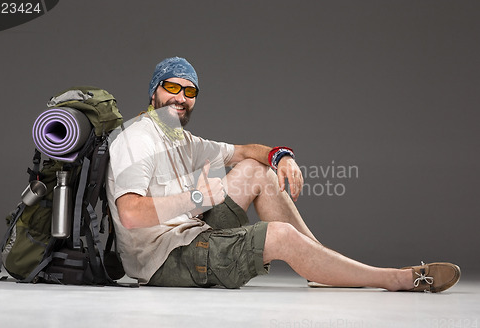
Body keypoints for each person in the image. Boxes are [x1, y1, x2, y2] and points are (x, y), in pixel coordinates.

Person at [105, 56, 460, 292]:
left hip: (188, 232)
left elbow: (246, 152)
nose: (180, 97)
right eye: (172, 87)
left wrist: (281, 157)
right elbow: (131, 214)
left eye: (190, 91)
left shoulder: (182, 139)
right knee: (281, 237)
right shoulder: (137, 138)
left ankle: (321, 266)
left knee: (254, 171)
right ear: (153, 92)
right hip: (162, 261)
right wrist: (199, 197)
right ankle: (396, 279)